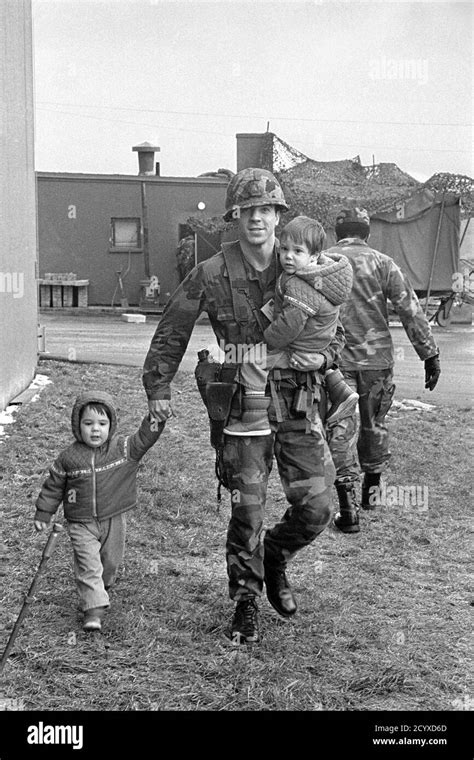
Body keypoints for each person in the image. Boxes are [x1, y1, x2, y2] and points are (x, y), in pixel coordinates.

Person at [143, 168, 345, 644]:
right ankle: (246, 601)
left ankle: (276, 554)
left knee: (317, 507)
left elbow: (337, 332)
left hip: (296, 404)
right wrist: (158, 387)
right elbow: (173, 330)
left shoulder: (303, 266)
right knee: (246, 510)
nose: (258, 218)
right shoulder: (212, 272)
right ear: (235, 216)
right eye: (248, 210)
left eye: (267, 210)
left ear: (278, 216)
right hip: (243, 407)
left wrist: (325, 355)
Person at [318, 207, 441, 533]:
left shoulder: (323, 261)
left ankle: (348, 509)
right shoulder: (383, 262)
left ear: (336, 231)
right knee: (375, 424)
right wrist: (429, 354)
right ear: (367, 232)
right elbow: (410, 309)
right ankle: (371, 495)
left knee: (340, 426)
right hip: (378, 362)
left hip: (335, 360)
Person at [33, 391, 166, 631]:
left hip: (113, 519)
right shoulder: (69, 459)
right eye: (88, 423)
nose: (95, 430)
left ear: (111, 425)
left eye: (102, 424)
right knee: (88, 565)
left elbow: (145, 438)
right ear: (77, 425)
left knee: (109, 563)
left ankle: (101, 590)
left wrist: (157, 418)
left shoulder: (123, 449)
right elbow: (53, 487)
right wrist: (44, 511)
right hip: (80, 522)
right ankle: (93, 611)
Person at [223, 214, 358, 437]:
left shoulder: (299, 284)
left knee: (252, 362)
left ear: (314, 256)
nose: (288, 257)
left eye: (297, 252)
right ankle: (341, 390)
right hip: (316, 342)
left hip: (298, 349)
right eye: (284, 249)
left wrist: (269, 338)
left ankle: (254, 419)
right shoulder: (322, 277)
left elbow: (289, 325)